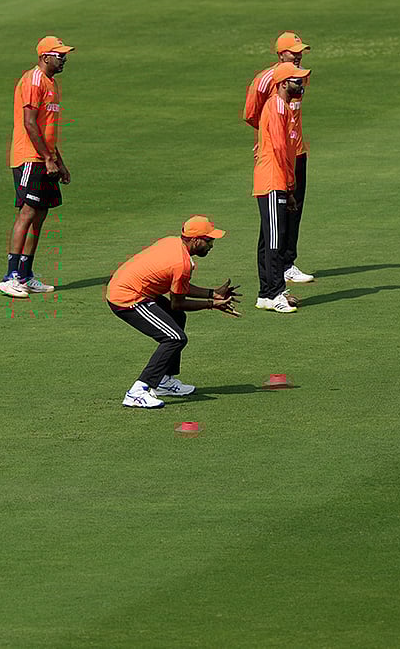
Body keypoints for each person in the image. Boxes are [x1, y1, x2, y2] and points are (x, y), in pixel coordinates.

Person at [107, 216, 240, 409]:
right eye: (209, 240)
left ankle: (163, 381)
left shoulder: (173, 242)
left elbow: (179, 286)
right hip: (127, 297)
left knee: (177, 318)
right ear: (195, 240)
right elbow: (178, 302)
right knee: (175, 338)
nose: (211, 245)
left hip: (134, 288)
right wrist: (211, 304)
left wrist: (213, 293)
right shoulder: (181, 263)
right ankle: (138, 391)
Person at [0, 36, 75, 299]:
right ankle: (10, 276)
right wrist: (48, 158)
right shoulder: (33, 80)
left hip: (45, 158)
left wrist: (59, 162)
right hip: (29, 158)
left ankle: (26, 274)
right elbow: (30, 124)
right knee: (27, 213)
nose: (64, 59)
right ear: (45, 57)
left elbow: (47, 130)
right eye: (60, 55)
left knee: (40, 216)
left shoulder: (52, 84)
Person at [245, 31, 315, 286]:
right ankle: (273, 283)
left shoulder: (298, 78)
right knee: (277, 217)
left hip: (297, 151)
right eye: (293, 52)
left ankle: (287, 264)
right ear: (280, 54)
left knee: (293, 211)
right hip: (276, 154)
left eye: (300, 52)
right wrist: (266, 139)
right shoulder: (266, 80)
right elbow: (252, 114)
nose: (297, 56)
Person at [252, 62, 310, 313]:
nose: (301, 84)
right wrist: (289, 185)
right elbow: (278, 148)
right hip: (272, 180)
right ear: (284, 83)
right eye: (297, 80)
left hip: (272, 179)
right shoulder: (276, 106)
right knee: (275, 239)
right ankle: (274, 293)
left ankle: (267, 293)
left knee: (268, 238)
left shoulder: (282, 106)